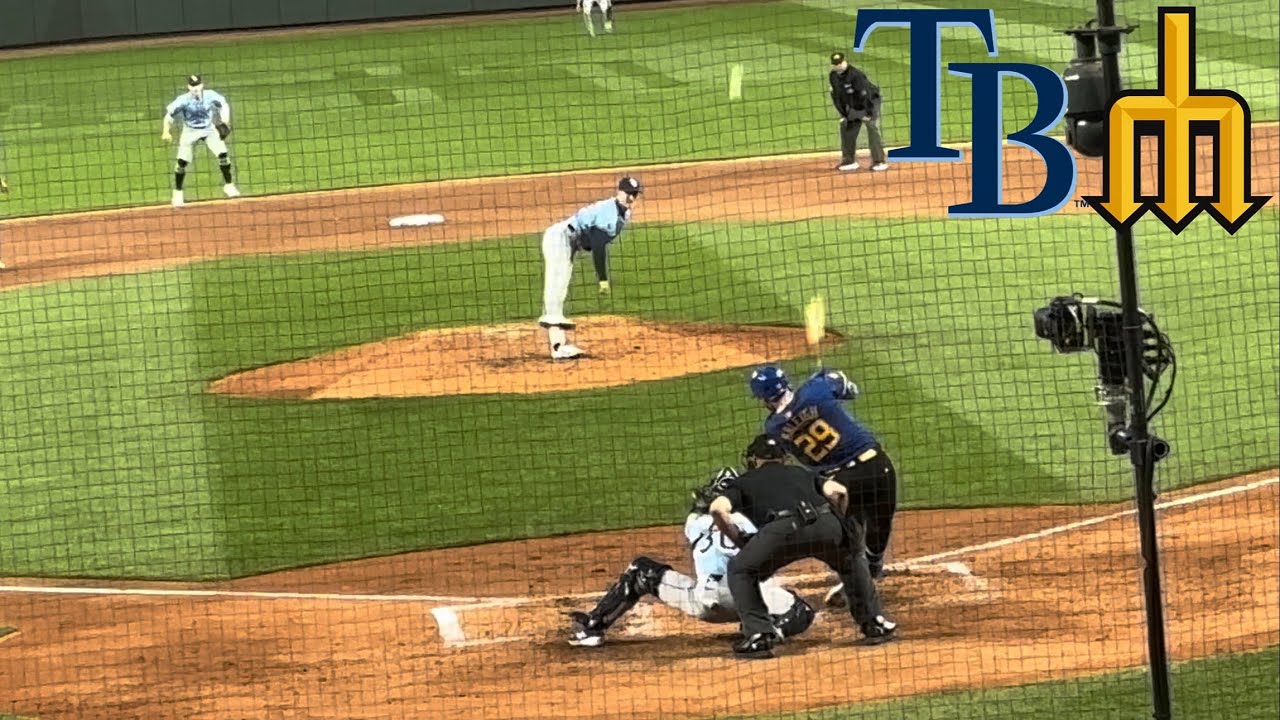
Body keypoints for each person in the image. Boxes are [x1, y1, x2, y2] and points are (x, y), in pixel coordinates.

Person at [567, 467, 815, 647]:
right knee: (801, 610)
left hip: (704, 603)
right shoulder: (752, 520)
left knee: (641, 570)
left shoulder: (693, 522)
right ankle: (766, 633)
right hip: (749, 598)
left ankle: (593, 628)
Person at [712, 434, 896, 659]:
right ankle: (874, 623)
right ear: (783, 458)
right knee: (852, 559)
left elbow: (717, 509)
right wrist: (839, 521)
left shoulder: (742, 482)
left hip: (781, 532)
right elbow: (839, 491)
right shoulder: (803, 473)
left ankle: (759, 635)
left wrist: (739, 539)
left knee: (741, 569)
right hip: (826, 524)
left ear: (754, 459)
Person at [750, 365, 899, 582]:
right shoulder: (816, 389)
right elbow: (851, 390)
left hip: (841, 482)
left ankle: (856, 574)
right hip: (876, 465)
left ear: (765, 398)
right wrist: (825, 378)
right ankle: (873, 566)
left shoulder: (774, 427)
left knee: (847, 527)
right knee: (880, 521)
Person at [538, 176, 642, 359]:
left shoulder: (623, 213)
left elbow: (591, 242)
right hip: (560, 237)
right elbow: (598, 246)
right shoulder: (608, 213)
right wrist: (602, 279)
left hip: (569, 241)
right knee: (556, 288)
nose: (631, 198)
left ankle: (559, 343)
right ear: (619, 192)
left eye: (635, 194)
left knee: (560, 288)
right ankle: (557, 347)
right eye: (628, 194)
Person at [162, 75, 239, 207]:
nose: (195, 89)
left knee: (223, 155)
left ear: (202, 85)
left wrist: (225, 121)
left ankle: (229, 186)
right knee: (182, 162)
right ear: (188, 87)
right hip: (190, 131)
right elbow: (169, 115)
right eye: (192, 86)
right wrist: (165, 131)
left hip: (208, 128)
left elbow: (223, 104)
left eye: (197, 85)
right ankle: (178, 193)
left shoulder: (210, 95)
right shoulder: (183, 100)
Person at [829, 52, 887, 173]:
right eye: (836, 64)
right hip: (853, 105)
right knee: (846, 126)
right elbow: (837, 98)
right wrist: (844, 115)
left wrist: (868, 113)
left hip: (870, 102)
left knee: (871, 125)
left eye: (840, 63)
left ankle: (879, 161)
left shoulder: (855, 75)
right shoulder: (833, 76)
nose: (838, 65)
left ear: (845, 61)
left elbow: (865, 95)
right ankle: (849, 161)